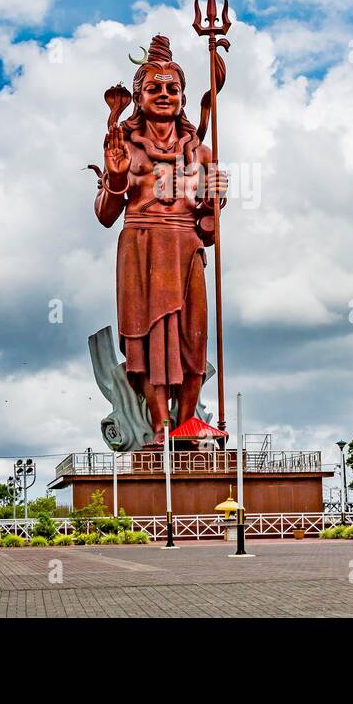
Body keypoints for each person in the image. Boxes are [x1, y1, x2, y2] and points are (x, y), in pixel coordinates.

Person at [96, 35, 227, 448]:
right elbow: (105, 215)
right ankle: (158, 425)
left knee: (192, 338)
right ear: (138, 97)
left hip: (186, 248)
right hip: (141, 245)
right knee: (149, 343)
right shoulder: (124, 146)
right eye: (154, 88)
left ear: (184, 97)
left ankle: (187, 421)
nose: (165, 94)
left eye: (173, 88)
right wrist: (116, 179)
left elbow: (208, 228)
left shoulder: (201, 153)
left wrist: (214, 201)